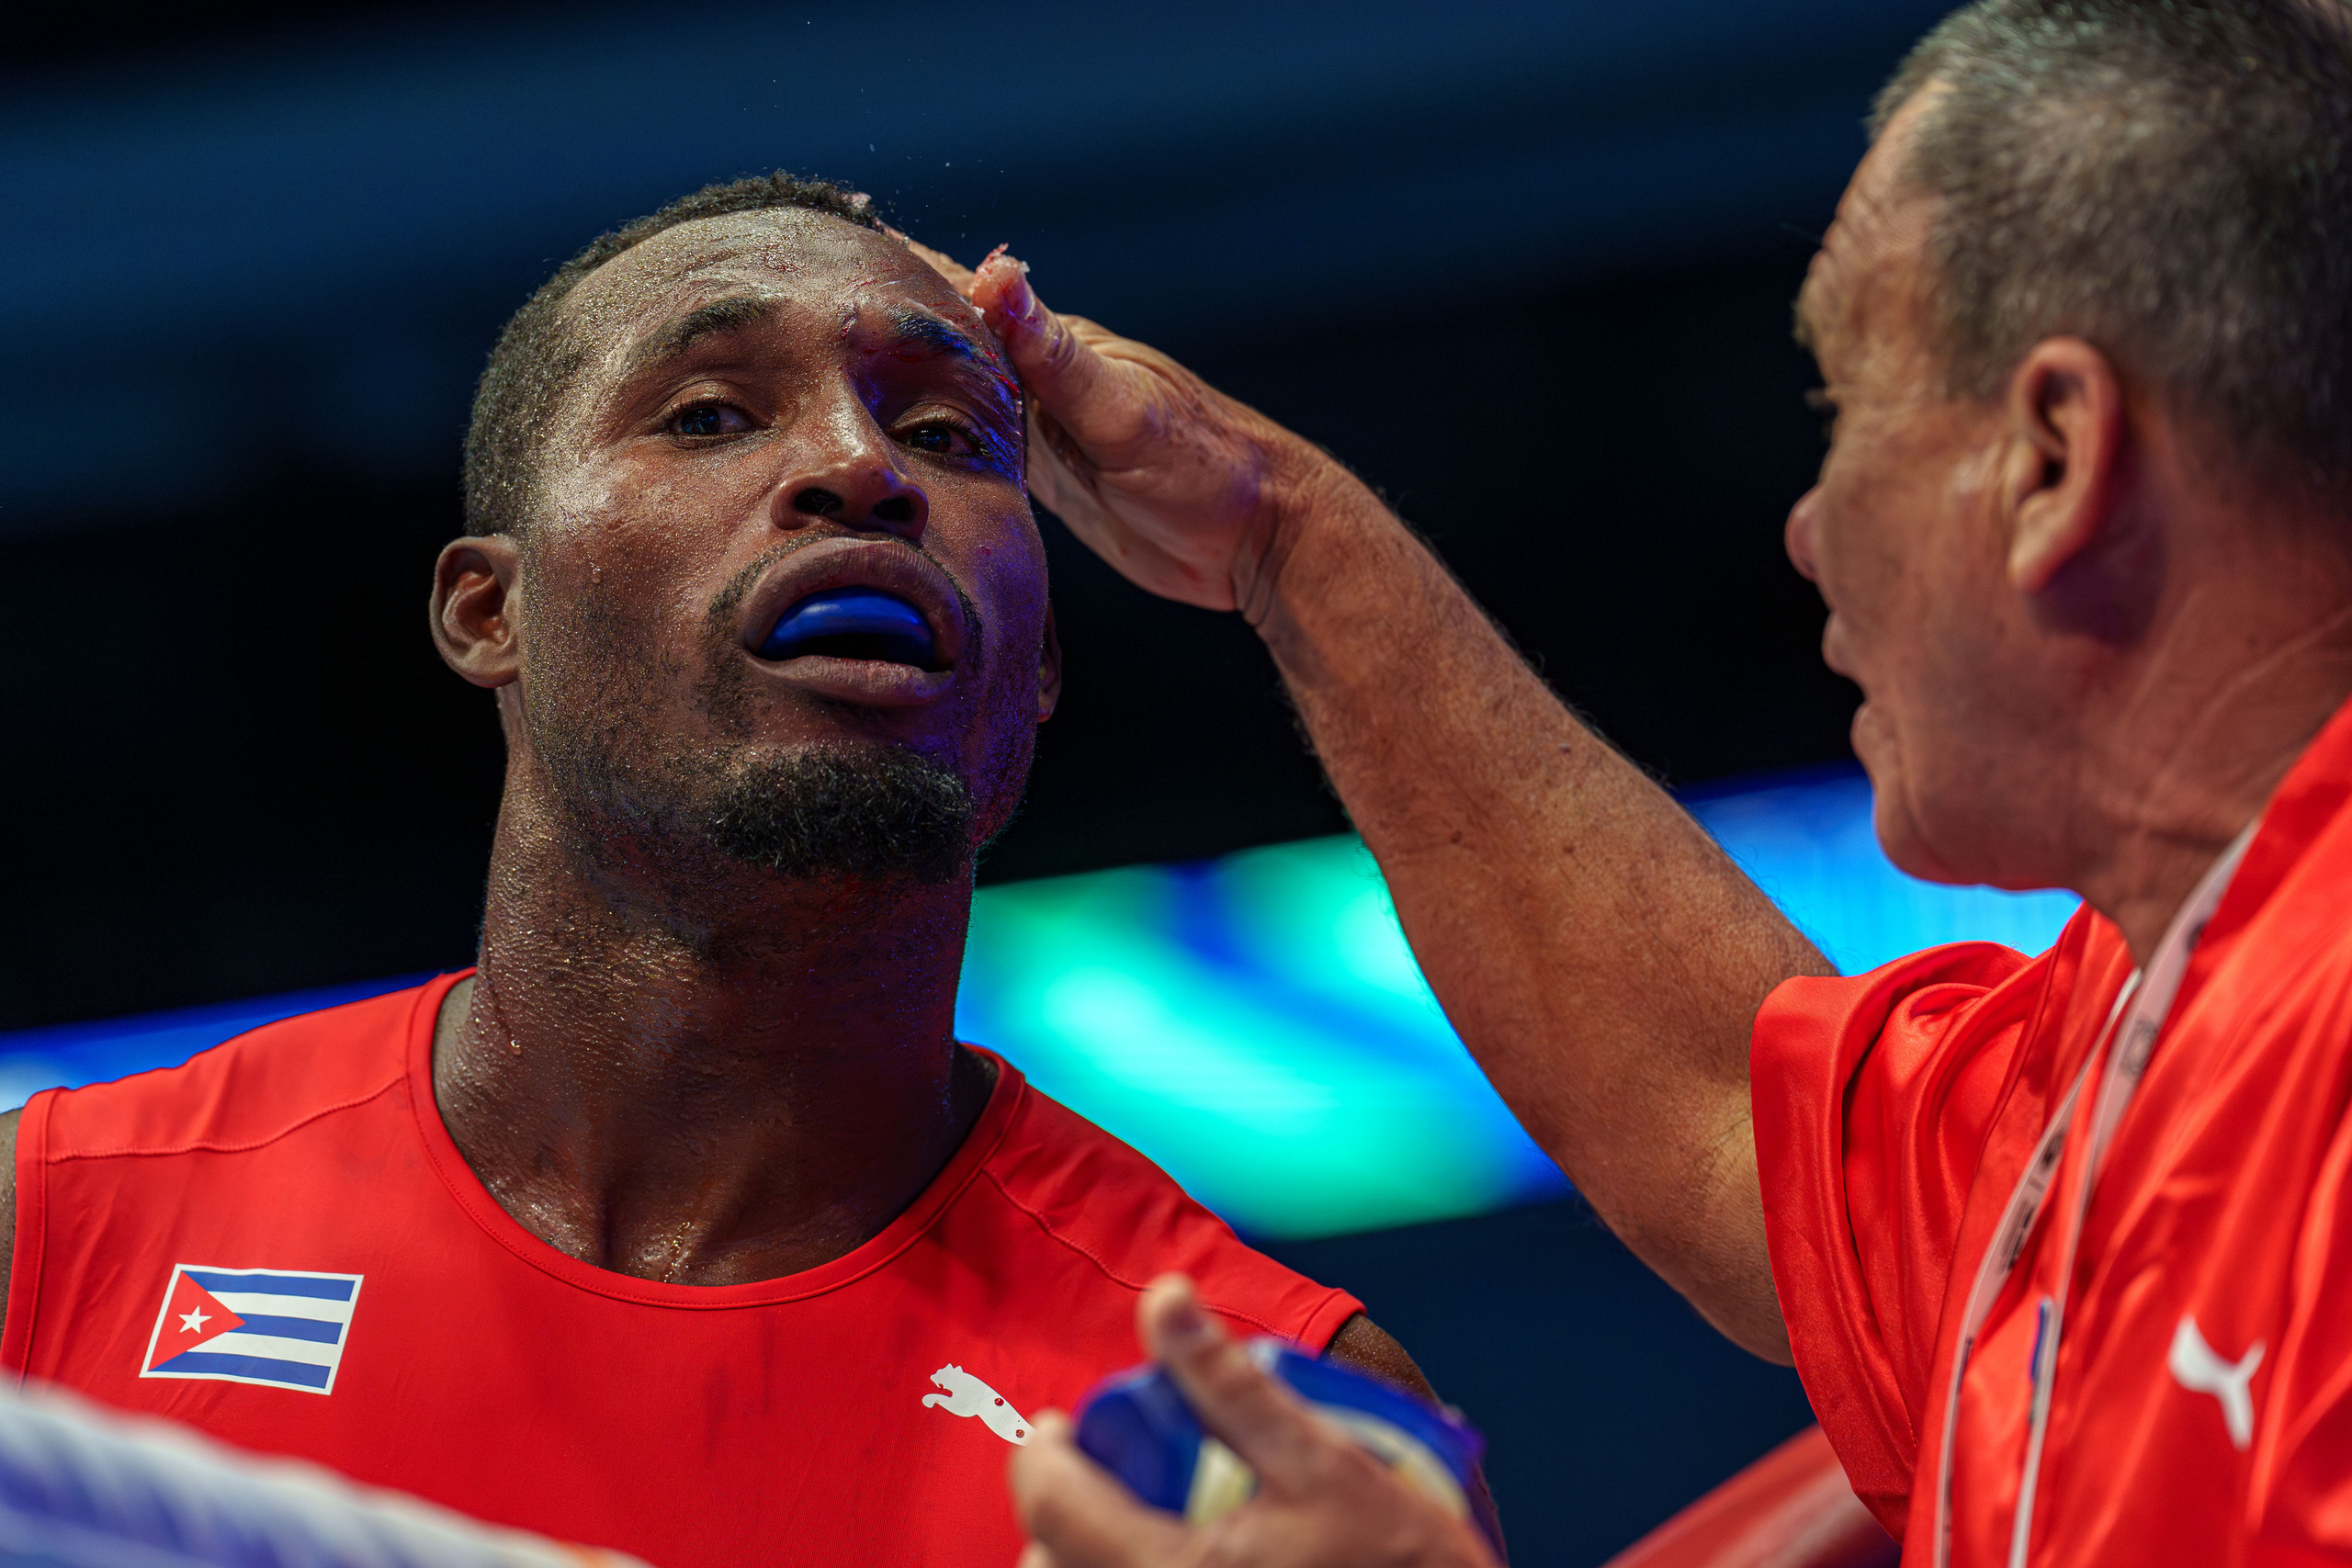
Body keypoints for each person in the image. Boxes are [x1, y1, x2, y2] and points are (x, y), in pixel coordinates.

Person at [923, 0, 2352, 1562]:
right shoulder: (2137, 1032)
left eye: (1848, 399)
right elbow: (1732, 1120)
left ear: (2056, 458)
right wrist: (1281, 537)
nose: (1809, 523)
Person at [0, 174, 1456, 1568]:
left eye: (950, 436)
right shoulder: (53, 1230)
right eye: (708, 415)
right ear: (489, 610)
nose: (860, 468)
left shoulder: (1266, 1437)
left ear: (1042, 667)